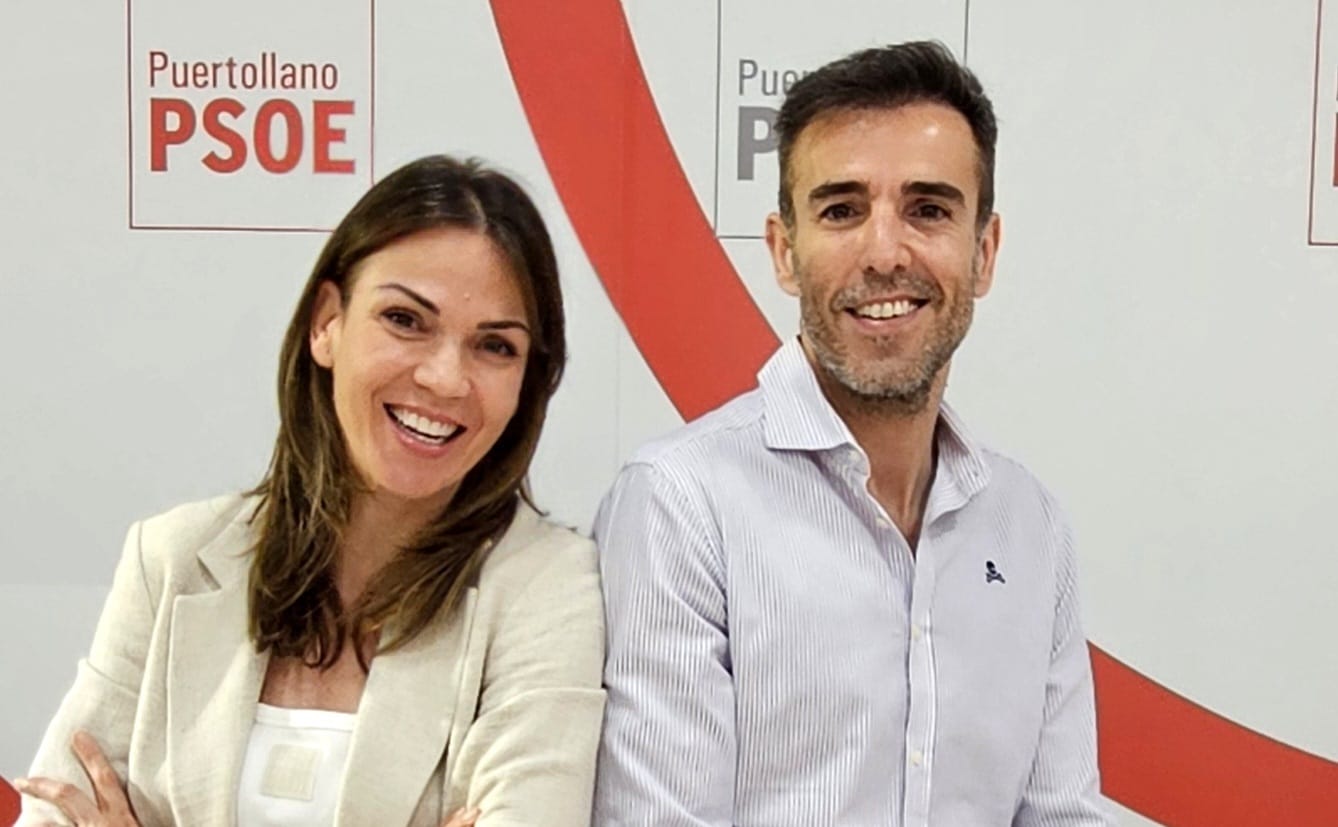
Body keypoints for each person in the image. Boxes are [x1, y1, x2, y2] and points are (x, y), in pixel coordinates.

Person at [593, 42, 1112, 825]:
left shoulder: (1029, 522)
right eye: (841, 210)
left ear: (985, 252)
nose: (883, 252)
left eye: (928, 209)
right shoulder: (681, 504)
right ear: (784, 251)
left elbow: (1063, 813)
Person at [17, 155, 605, 827]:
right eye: (406, 320)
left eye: (495, 347)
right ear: (327, 322)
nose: (445, 378)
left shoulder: (545, 588)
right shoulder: (172, 559)